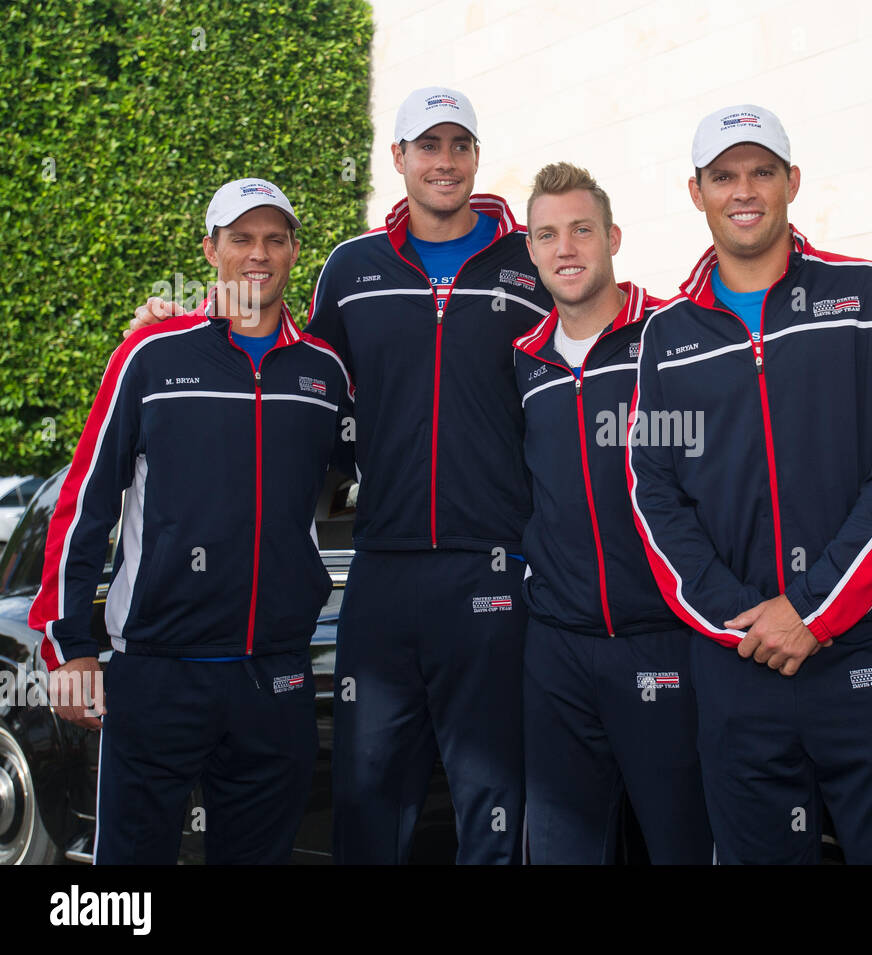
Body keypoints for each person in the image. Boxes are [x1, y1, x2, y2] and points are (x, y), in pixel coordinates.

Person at [128, 88, 550, 865]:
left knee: (494, 798)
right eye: (428, 146)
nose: (444, 161)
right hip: (382, 569)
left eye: (459, 145)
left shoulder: (531, 262)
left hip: (495, 568)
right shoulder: (352, 268)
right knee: (367, 789)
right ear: (399, 159)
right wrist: (185, 324)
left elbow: (596, 337)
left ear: (476, 157)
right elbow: (288, 381)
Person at [627, 105, 872, 864]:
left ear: (792, 182)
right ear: (696, 191)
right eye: (724, 175)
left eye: (762, 171)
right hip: (738, 662)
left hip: (867, 652)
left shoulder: (867, 296)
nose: (745, 190)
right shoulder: (667, 336)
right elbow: (651, 489)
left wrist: (814, 608)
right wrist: (742, 618)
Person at [30, 178, 353, 864]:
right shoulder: (151, 354)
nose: (257, 254)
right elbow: (86, 499)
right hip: (157, 674)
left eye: (273, 239)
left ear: (296, 251)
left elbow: (381, 474)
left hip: (276, 676)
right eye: (240, 239)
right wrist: (68, 644)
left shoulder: (325, 373)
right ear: (210, 250)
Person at [512, 162, 712, 863]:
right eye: (547, 234)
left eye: (581, 230)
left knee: (683, 842)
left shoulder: (673, 335)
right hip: (557, 650)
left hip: (664, 639)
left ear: (613, 237)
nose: (565, 247)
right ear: (530, 251)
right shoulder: (523, 361)